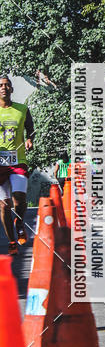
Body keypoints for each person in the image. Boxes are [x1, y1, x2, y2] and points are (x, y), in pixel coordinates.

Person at [0, 75, 34, 255]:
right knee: (4, 206)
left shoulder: (22, 109)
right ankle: (12, 241)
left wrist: (29, 139)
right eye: (1, 85)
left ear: (12, 89)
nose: (4, 88)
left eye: (7, 85)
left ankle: (19, 221)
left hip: (18, 160)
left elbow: (31, 128)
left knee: (19, 198)